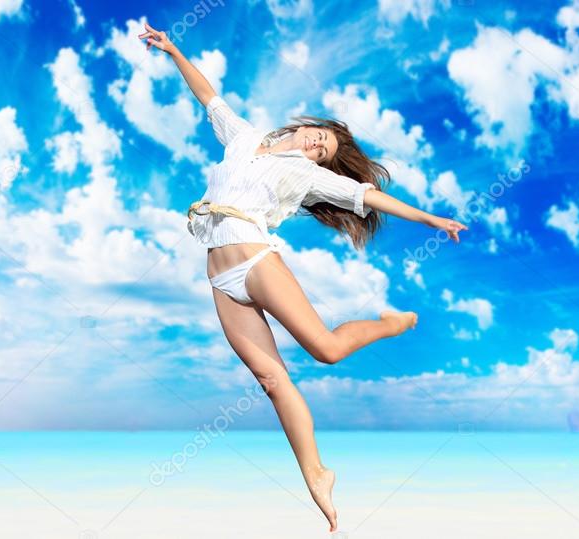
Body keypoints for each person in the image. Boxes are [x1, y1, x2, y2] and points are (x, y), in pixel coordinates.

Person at [138, 21, 468, 532]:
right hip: (220, 281)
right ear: (307, 124)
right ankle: (316, 473)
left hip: (255, 262)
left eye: (324, 151)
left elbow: (368, 197)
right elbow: (208, 96)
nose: (318, 146)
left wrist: (430, 220)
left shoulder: (310, 175)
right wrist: (174, 48)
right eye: (322, 137)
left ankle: (391, 323)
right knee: (272, 381)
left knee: (327, 350)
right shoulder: (243, 137)